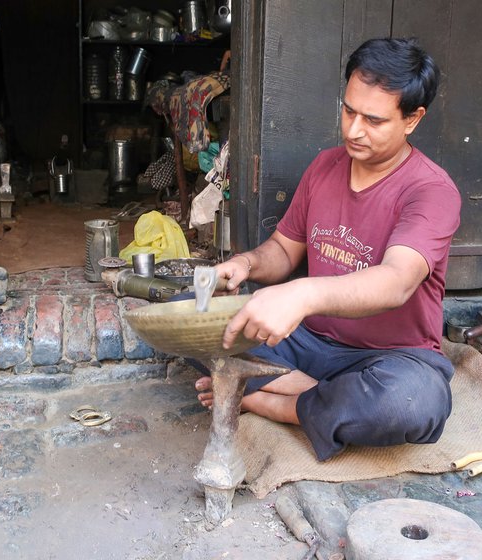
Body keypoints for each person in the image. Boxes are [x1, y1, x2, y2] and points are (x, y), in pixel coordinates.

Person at [194, 37, 462, 462]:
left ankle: (268, 400)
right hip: (305, 341)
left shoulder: (431, 191)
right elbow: (285, 249)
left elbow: (395, 282)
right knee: (193, 313)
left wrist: (301, 294)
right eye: (349, 111)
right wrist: (246, 263)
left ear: (412, 119)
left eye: (374, 120)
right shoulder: (325, 166)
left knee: (412, 404)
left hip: (387, 360)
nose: (354, 130)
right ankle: (320, 398)